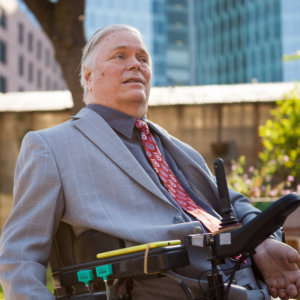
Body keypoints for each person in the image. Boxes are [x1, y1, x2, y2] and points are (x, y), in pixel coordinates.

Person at [0, 24, 299, 300]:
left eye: (143, 58)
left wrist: (262, 243)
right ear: (89, 77)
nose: (136, 64)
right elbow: (19, 258)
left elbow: (233, 202)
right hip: (167, 286)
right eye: (120, 56)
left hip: (240, 279)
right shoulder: (51, 147)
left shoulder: (177, 148)